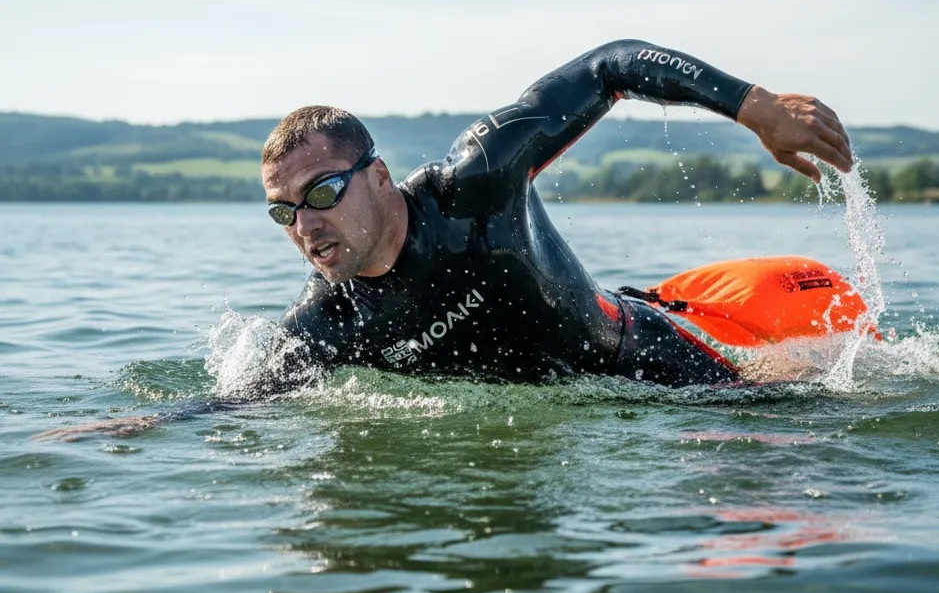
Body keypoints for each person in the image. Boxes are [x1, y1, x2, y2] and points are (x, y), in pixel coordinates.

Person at [261, 39, 852, 391]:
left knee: (793, 417)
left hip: (639, 360)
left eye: (322, 193)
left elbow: (609, 66)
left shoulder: (476, 183)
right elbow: (234, 405)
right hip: (557, 429)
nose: (305, 227)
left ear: (379, 176)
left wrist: (755, 107)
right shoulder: (327, 323)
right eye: (283, 212)